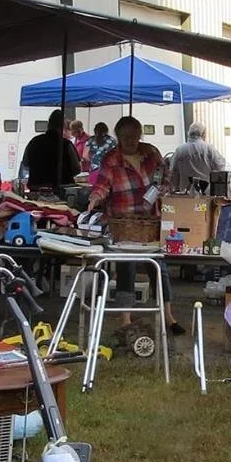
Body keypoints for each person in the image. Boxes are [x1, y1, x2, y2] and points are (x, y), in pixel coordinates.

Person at [92, 115, 180, 333]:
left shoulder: (151, 153)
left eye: (134, 136)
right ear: (118, 138)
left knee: (159, 267)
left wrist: (162, 190)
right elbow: (102, 185)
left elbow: (166, 177)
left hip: (151, 221)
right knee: (126, 268)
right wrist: (94, 199)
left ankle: (168, 315)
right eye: (126, 137)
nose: (131, 140)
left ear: (140, 135)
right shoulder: (111, 160)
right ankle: (125, 319)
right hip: (124, 223)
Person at [19, 108, 81, 195]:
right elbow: (77, 169)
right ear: (62, 126)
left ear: (49, 124)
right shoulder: (66, 144)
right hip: (61, 190)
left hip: (37, 190)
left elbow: (25, 164)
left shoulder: (34, 142)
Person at [163, 121, 227, 193]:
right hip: (207, 193)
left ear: (189, 133)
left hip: (185, 193)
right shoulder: (209, 149)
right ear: (203, 134)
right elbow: (220, 168)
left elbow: (174, 173)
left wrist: (176, 188)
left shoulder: (180, 150)